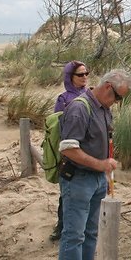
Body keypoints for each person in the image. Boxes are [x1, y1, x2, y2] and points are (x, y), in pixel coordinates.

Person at [57, 68, 131, 260]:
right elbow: (69, 149)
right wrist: (100, 164)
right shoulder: (80, 109)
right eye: (118, 97)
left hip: (98, 179)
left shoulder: (103, 109)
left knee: (91, 230)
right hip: (78, 179)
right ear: (108, 87)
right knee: (74, 233)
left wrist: (105, 170)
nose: (118, 103)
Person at [50, 60, 89, 242]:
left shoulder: (90, 95)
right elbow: (58, 125)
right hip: (70, 151)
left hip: (89, 149)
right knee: (67, 192)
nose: (84, 77)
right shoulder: (63, 99)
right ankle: (61, 226)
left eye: (86, 73)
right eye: (80, 74)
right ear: (70, 77)